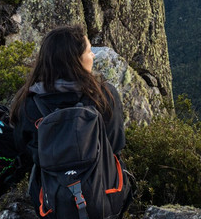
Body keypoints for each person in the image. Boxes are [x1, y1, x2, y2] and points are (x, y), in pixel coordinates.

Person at [10, 24, 125, 167]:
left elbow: (23, 148)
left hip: (51, 187)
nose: (93, 55)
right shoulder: (104, 95)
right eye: (89, 51)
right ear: (76, 60)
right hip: (99, 184)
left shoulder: (29, 103)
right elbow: (116, 144)